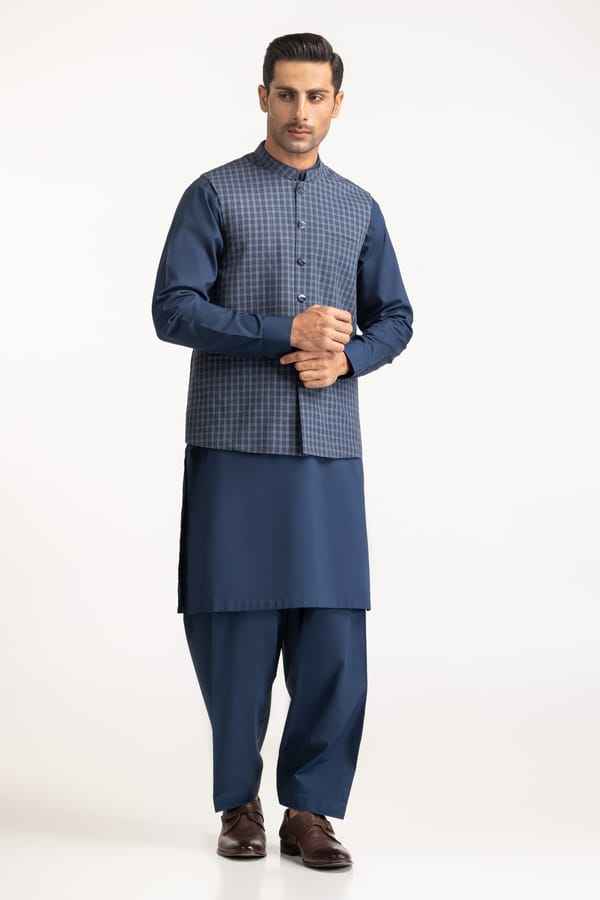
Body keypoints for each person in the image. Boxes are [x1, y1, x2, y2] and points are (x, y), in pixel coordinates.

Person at [151, 32, 414, 869]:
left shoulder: (359, 208)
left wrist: (349, 359)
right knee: (233, 631)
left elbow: (397, 317)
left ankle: (310, 811)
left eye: (317, 96)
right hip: (233, 443)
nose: (302, 112)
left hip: (328, 449)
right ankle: (239, 804)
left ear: (338, 103)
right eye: (288, 94)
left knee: (334, 638)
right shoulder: (214, 194)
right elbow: (173, 309)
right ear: (263, 95)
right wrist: (284, 332)